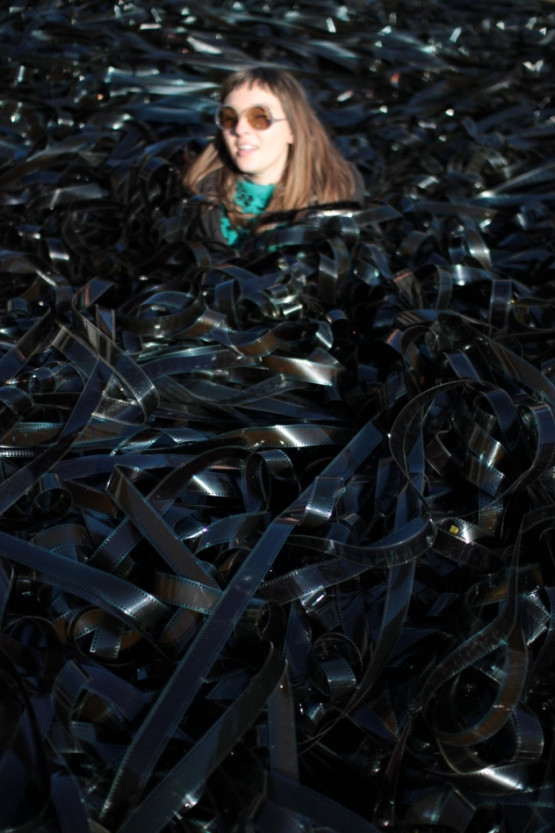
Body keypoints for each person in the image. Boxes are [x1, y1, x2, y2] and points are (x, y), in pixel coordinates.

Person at [183, 66, 365, 249]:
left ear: (293, 130)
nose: (239, 129)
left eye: (259, 117)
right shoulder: (194, 193)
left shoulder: (339, 189)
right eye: (229, 117)